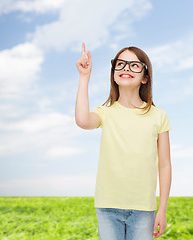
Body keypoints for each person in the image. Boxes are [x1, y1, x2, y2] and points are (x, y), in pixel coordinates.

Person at [75, 42, 172, 240]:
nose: (126, 68)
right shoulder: (106, 113)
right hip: (108, 206)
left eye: (134, 65)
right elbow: (83, 121)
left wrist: (162, 210)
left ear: (145, 77)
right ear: (113, 73)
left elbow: (165, 165)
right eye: (120, 64)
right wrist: (84, 77)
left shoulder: (158, 116)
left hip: (144, 208)